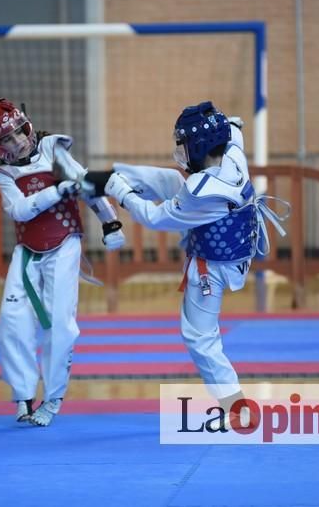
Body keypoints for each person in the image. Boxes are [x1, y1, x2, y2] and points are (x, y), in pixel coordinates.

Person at [58, 101, 286, 409]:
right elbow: (233, 130)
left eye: (185, 144)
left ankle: (235, 406)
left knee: (199, 337)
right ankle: (104, 177)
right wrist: (115, 181)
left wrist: (122, 194)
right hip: (230, 247)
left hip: (213, 269)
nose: (181, 151)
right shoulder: (231, 153)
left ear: (201, 145)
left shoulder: (200, 193)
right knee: (164, 179)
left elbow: (154, 218)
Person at [0, 97, 125, 426]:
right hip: (27, 248)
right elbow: (19, 210)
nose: (17, 141)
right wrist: (58, 192)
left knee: (60, 322)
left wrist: (110, 221)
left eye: (19, 132)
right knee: (10, 322)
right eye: (6, 139)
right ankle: (23, 393)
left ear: (28, 125)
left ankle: (54, 396)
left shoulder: (52, 149)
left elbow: (85, 184)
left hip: (65, 243)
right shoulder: (1, 171)